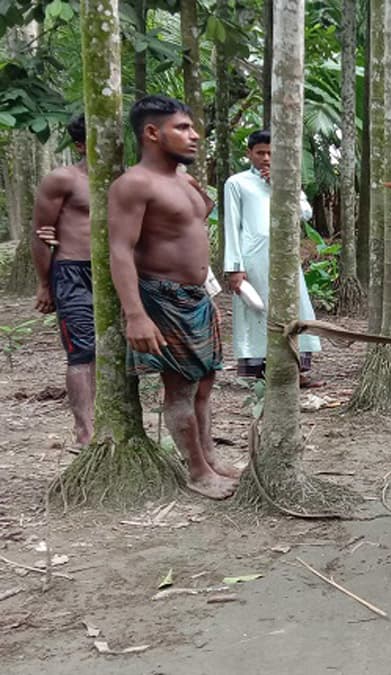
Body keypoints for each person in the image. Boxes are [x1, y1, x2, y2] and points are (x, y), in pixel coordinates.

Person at [108, 95, 237, 500]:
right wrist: (136, 315)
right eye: (182, 128)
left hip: (197, 296)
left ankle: (210, 457)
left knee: (205, 383)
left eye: (192, 127)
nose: (194, 135)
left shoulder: (184, 180)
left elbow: (193, 225)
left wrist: (208, 294)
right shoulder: (134, 184)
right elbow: (120, 250)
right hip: (162, 297)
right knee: (180, 387)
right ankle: (197, 471)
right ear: (152, 132)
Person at [223, 129, 322, 386]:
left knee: (295, 307)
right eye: (260, 153)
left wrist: (282, 187)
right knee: (258, 311)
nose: (266, 158)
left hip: (285, 257)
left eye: (271, 153)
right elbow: (232, 226)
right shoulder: (236, 183)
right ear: (249, 153)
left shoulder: (288, 180)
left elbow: (305, 214)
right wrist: (234, 267)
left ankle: (295, 370)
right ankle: (261, 374)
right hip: (252, 257)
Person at [30, 114, 95, 447]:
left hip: (117, 272)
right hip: (72, 272)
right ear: (81, 145)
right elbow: (41, 234)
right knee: (82, 351)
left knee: (116, 349)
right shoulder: (63, 179)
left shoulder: (127, 180)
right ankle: (85, 432)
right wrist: (45, 284)